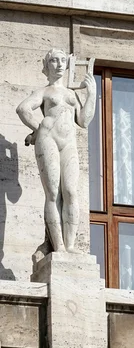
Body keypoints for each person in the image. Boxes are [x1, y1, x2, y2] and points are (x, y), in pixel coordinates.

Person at [16, 49, 96, 254]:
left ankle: (70, 245)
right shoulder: (45, 92)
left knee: (70, 191)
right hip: (48, 140)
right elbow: (23, 109)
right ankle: (58, 246)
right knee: (53, 193)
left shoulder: (71, 94)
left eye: (62, 60)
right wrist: (38, 129)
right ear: (47, 66)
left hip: (68, 143)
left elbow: (84, 121)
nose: (59, 64)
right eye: (54, 61)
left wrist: (92, 94)